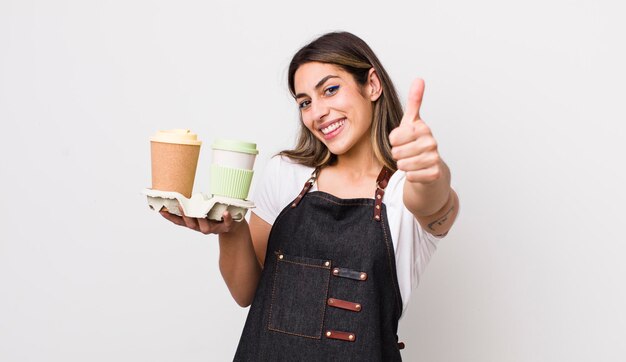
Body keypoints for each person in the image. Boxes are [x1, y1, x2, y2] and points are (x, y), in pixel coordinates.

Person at [160, 31, 459, 361]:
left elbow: (435, 201)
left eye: (330, 90)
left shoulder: (406, 188)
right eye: (305, 102)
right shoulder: (284, 173)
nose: (317, 112)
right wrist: (231, 230)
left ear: (372, 85)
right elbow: (245, 292)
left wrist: (431, 171)